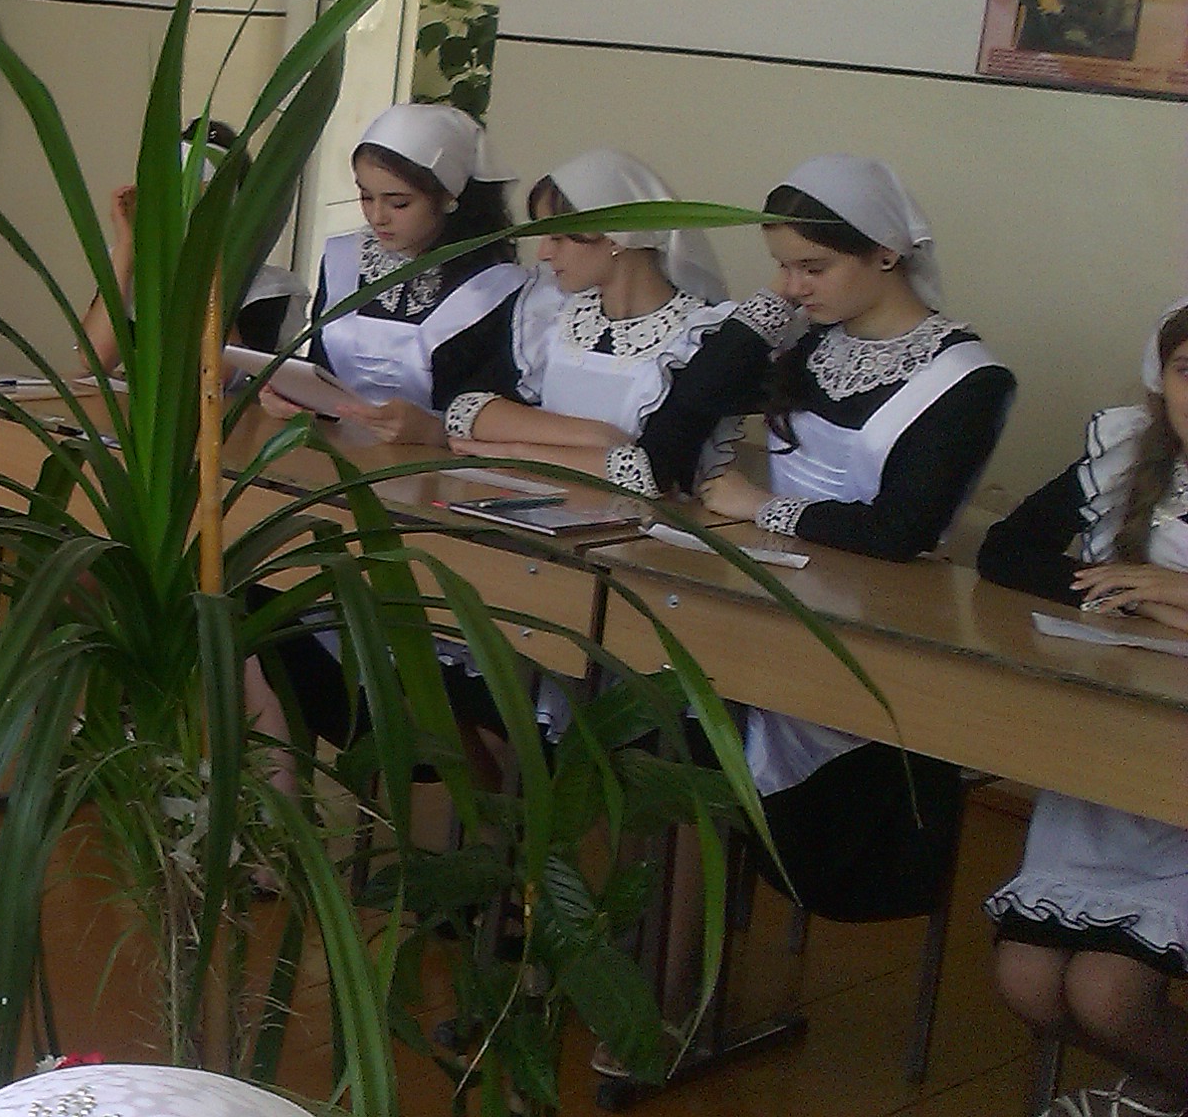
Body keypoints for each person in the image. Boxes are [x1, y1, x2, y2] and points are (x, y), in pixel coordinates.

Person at [690, 155, 1016, 923]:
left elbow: (900, 531)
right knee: (672, 714)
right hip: (772, 599)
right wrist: (764, 316)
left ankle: (691, 953)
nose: (793, 286)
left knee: (703, 735)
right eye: (781, 266)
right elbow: (692, 399)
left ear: (886, 252)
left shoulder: (968, 379)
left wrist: (759, 506)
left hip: (874, 630)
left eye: (813, 267)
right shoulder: (812, 345)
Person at [980, 300, 1188, 1117]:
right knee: (1028, 983)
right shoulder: (1128, 453)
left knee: (1107, 994)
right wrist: (1130, 600)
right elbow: (1006, 550)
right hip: (1111, 758)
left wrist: (1175, 594)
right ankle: (1163, 1089)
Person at [444, 147, 785, 494]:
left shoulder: (700, 337)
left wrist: (514, 452)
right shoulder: (553, 316)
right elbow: (467, 410)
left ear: (614, 236)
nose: (544, 253)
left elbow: (649, 471)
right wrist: (593, 436)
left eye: (558, 237)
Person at [294, 102, 525, 445]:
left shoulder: (494, 287)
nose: (377, 217)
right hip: (335, 453)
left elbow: (502, 412)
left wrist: (434, 431)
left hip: (437, 467)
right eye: (365, 197)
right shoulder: (344, 260)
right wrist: (296, 398)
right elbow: (321, 370)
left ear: (448, 197)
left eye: (398, 203)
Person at [80, 121, 303, 372]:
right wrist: (126, 245)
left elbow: (217, 375)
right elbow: (96, 359)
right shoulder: (138, 271)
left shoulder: (267, 290)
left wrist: (202, 263)